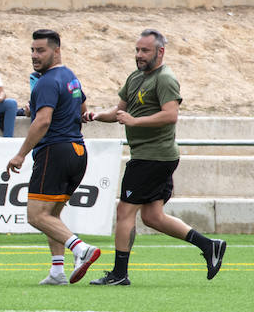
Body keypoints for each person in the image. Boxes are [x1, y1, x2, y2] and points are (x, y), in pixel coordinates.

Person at [85, 29, 226, 285]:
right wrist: (95, 116)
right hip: (151, 156)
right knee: (153, 217)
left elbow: (170, 114)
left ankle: (119, 274)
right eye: (137, 50)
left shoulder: (165, 78)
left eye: (145, 50)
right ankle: (209, 246)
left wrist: (135, 122)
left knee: (124, 211)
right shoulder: (136, 77)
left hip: (154, 157)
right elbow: (119, 111)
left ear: (160, 51)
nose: (139, 55)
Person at [5, 28, 100, 286]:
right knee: (52, 216)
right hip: (77, 152)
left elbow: (43, 121)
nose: (35, 55)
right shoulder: (70, 76)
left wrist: (20, 154)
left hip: (55, 151)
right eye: (33, 50)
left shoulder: (46, 81)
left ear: (56, 51)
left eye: (41, 50)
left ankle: (82, 250)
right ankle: (57, 272)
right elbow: (81, 109)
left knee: (36, 216)